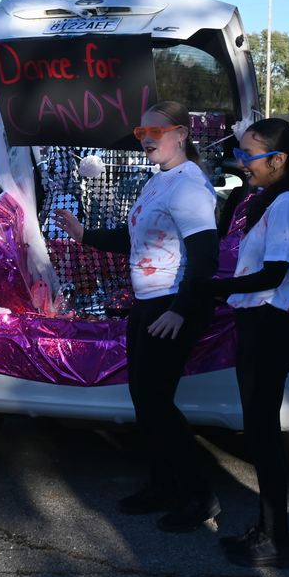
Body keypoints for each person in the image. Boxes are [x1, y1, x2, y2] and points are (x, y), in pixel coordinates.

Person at [57, 101, 221, 533]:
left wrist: (179, 311)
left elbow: (206, 258)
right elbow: (136, 241)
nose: (146, 137)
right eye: (140, 131)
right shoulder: (159, 181)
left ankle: (198, 495)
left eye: (156, 130)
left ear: (181, 134)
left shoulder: (188, 185)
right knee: (147, 402)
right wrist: (84, 234)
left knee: (156, 403)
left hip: (171, 304)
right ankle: (163, 485)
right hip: (148, 302)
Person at [185, 118, 289, 567]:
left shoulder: (285, 204)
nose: (241, 162)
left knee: (264, 441)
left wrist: (210, 289)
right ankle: (270, 531)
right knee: (261, 437)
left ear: (279, 160)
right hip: (262, 326)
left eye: (249, 155)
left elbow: (273, 273)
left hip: (268, 327)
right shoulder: (278, 199)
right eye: (240, 154)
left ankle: (278, 541)